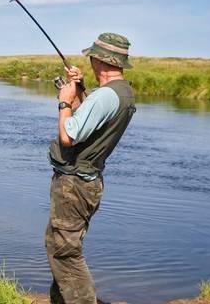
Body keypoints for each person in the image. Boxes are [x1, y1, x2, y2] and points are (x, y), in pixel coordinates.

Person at [45, 33, 136, 304]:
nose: (90, 61)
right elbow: (90, 120)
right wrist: (80, 88)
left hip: (75, 186)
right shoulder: (122, 92)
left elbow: (69, 135)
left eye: (92, 57)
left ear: (99, 59)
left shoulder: (106, 96)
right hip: (86, 183)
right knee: (60, 246)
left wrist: (64, 100)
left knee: (65, 253)